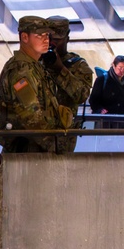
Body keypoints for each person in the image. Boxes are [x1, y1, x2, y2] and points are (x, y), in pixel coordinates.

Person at [0, 16, 72, 153]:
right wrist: (55, 146)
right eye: (39, 35)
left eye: (47, 35)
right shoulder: (21, 71)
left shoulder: (35, 67)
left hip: (35, 151)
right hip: (26, 153)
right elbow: (31, 117)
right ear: (24, 37)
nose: (46, 39)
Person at [44, 16, 93, 153]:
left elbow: (81, 95)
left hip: (63, 138)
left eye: (56, 40)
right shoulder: (36, 63)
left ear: (67, 39)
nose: (52, 43)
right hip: (37, 136)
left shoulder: (78, 66)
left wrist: (61, 69)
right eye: (48, 39)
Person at [89, 54, 124, 128]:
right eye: (120, 68)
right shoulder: (102, 80)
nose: (122, 71)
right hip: (107, 122)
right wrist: (100, 110)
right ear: (114, 66)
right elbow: (93, 100)